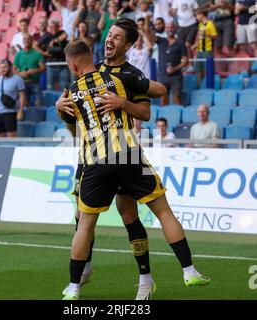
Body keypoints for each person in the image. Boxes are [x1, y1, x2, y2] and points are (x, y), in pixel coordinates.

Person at [58, 19, 210, 300]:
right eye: (109, 34)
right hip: (95, 155)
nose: (110, 40)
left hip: (116, 152)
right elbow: (75, 127)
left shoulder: (129, 74)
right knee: (80, 218)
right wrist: (62, 109)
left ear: (128, 45)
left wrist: (123, 103)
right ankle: (86, 266)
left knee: (128, 215)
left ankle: (144, 280)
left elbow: (150, 107)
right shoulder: (96, 71)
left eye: (117, 37)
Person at [146, 22, 188, 106]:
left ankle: (177, 118)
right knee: (163, 99)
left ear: (175, 29)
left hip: (176, 76)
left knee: (177, 98)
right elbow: (148, 34)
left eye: (172, 27)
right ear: (165, 29)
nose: (170, 29)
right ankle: (164, 119)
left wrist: (175, 68)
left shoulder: (180, 43)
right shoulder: (161, 40)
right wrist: (147, 19)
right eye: (168, 28)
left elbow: (185, 60)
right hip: (162, 75)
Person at [0, 60, 25, 138]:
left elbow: (22, 95)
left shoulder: (18, 79)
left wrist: (20, 111)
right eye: (1, 68)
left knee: (12, 134)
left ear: (10, 67)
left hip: (10, 112)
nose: (3, 69)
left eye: (5, 67)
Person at [36, 19, 69, 91]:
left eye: (55, 27)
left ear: (58, 27)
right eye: (51, 27)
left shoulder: (61, 32)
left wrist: (54, 41)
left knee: (64, 87)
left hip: (63, 65)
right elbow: (35, 45)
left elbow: (65, 35)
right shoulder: (47, 36)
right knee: (50, 87)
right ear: (49, 28)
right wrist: (43, 53)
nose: (53, 28)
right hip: (51, 65)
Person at [13, 34, 46, 106]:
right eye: (25, 39)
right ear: (23, 41)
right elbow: (13, 70)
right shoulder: (18, 54)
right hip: (22, 83)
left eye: (28, 39)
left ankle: (37, 117)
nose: (26, 40)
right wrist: (20, 74)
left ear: (32, 41)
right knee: (24, 104)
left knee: (38, 103)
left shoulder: (37, 53)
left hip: (35, 82)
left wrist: (35, 70)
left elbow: (43, 68)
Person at [171, 0, 198, 72]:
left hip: (192, 24)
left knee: (188, 44)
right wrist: (173, 13)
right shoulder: (176, 1)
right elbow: (173, 11)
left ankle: (191, 65)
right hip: (181, 26)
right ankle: (181, 64)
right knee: (180, 45)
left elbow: (196, 11)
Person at [192, 8, 218, 85]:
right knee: (198, 70)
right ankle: (199, 86)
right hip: (199, 50)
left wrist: (206, 34)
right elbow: (199, 37)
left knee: (208, 70)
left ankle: (207, 87)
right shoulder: (200, 25)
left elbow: (215, 36)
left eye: (197, 15)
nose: (196, 17)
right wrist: (196, 44)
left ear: (201, 14)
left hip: (208, 50)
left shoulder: (210, 23)